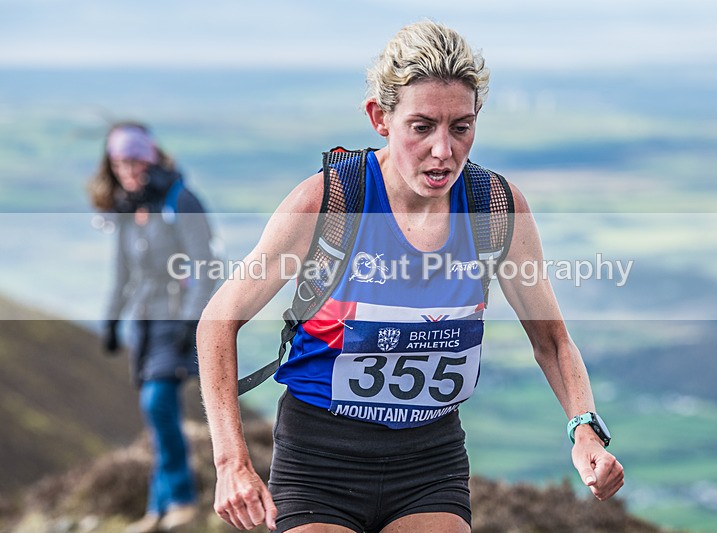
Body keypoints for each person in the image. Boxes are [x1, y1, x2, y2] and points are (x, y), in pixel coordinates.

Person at [198, 20, 624, 533]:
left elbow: (553, 341)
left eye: (461, 127)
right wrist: (231, 464)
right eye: (421, 127)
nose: (443, 150)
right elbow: (218, 320)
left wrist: (584, 430)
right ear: (380, 117)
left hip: (429, 462)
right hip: (319, 463)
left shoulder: (494, 209)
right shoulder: (328, 203)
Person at [89, 122, 217, 533]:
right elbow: (123, 273)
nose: (126, 169)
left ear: (148, 158)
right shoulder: (128, 208)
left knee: (158, 403)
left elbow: (206, 267)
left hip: (176, 320)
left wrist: (191, 324)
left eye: (132, 160)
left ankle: (180, 499)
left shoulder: (180, 199)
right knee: (155, 414)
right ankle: (157, 507)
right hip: (144, 326)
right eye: (118, 162)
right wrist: (112, 319)